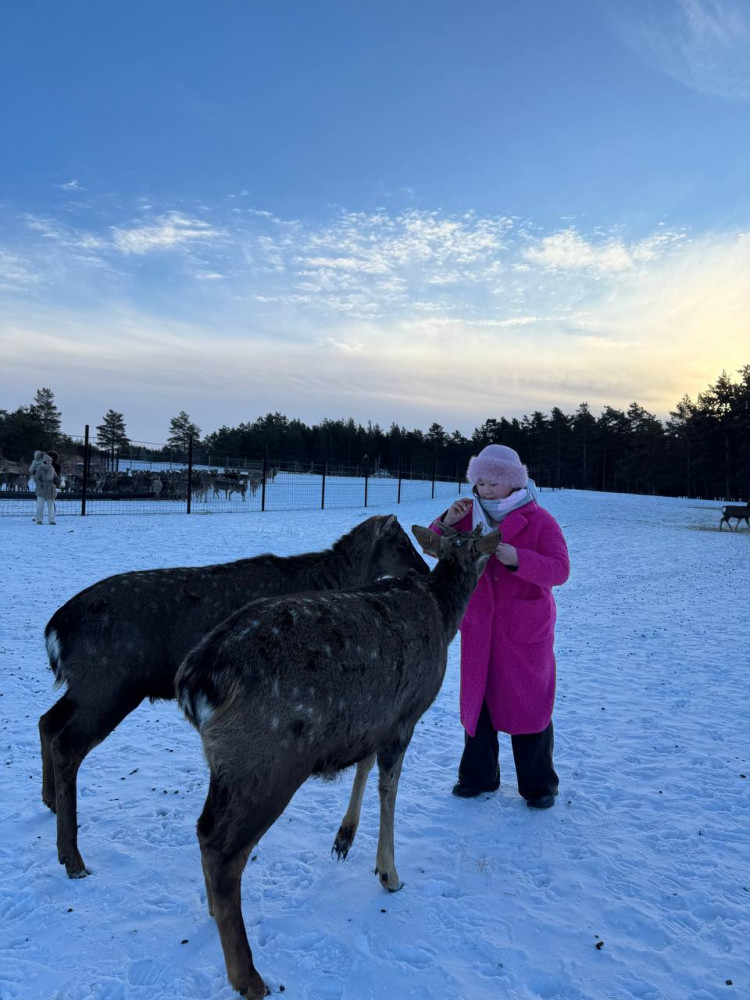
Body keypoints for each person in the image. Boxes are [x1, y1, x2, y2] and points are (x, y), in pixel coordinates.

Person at [429, 444, 570, 809]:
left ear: (513, 483)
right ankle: (477, 777)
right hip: (477, 626)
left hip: (524, 632)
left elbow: (560, 569)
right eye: (480, 481)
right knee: (480, 704)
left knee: (528, 705)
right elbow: (433, 545)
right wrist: (446, 518)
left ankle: (539, 785)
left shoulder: (540, 520)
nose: (485, 489)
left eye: (493, 482)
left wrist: (518, 559)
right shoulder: (467, 515)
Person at [28, 450, 59, 525]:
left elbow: (55, 477)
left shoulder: (52, 468)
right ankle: (39, 520)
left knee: (51, 506)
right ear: (44, 461)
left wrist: (58, 481)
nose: (49, 462)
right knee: (40, 505)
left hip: (50, 488)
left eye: (50, 461)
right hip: (42, 488)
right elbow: (36, 478)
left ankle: (51, 520)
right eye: (47, 461)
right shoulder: (39, 468)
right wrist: (40, 484)